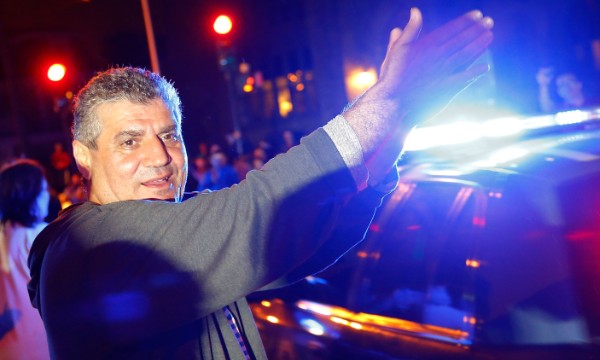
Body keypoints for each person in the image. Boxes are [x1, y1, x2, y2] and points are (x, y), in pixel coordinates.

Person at [28, 8, 494, 358]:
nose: (159, 156)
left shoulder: (178, 221)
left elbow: (293, 247)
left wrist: (389, 141)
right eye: (129, 141)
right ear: (83, 157)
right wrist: (384, 103)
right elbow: (255, 213)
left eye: (169, 135)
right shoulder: (88, 246)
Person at [0, 159, 50, 359]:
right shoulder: (45, 235)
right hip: (42, 345)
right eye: (44, 189)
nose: (48, 195)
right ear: (31, 194)